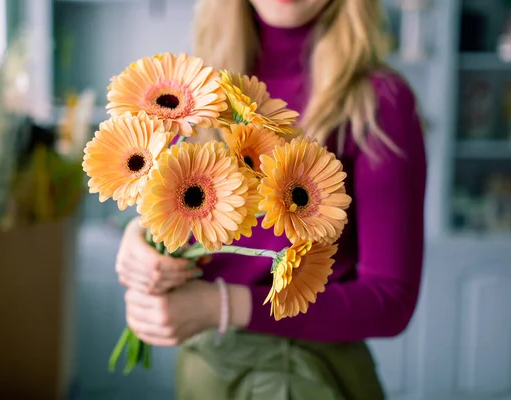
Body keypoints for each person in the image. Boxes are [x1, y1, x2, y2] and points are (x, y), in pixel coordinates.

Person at [115, 0, 426, 398]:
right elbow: (186, 207)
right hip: (203, 370)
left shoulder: (378, 103)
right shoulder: (192, 93)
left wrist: (221, 306)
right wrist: (140, 239)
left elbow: (389, 300)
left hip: (304, 374)